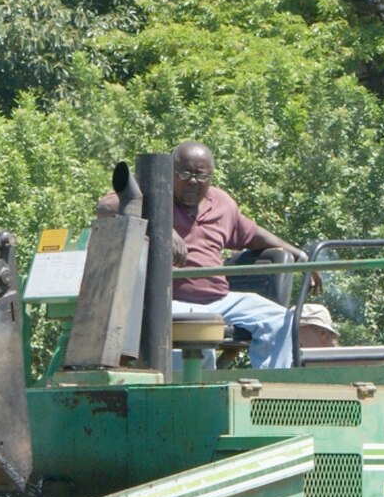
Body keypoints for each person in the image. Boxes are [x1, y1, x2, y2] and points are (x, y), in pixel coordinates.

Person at [100, 141, 308, 369]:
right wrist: (161, 227)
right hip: (172, 301)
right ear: (170, 173)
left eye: (201, 175)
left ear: (211, 176)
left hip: (221, 299)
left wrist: (301, 257)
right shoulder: (153, 194)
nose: (192, 180)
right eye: (185, 172)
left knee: (280, 319)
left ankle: (272, 391)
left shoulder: (221, 203)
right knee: (197, 331)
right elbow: (105, 207)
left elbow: (254, 234)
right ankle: (199, 395)